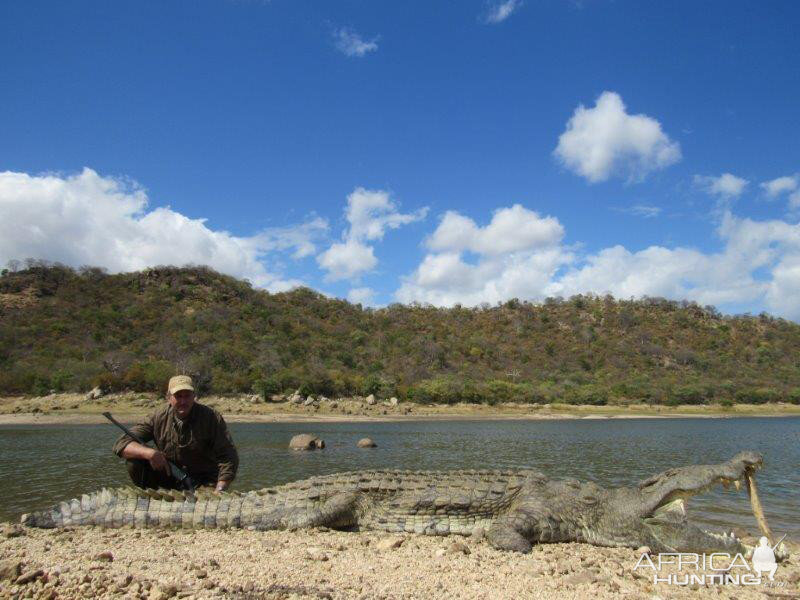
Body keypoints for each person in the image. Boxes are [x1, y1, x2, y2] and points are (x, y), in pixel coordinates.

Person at [112, 375, 239, 491]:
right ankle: (150, 497)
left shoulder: (211, 417)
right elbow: (121, 444)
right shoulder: (157, 417)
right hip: (170, 476)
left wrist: (220, 490)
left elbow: (229, 457)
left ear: (194, 396)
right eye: (178, 396)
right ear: (168, 397)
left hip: (203, 480)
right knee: (134, 461)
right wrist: (150, 453)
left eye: (187, 395)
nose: (183, 401)